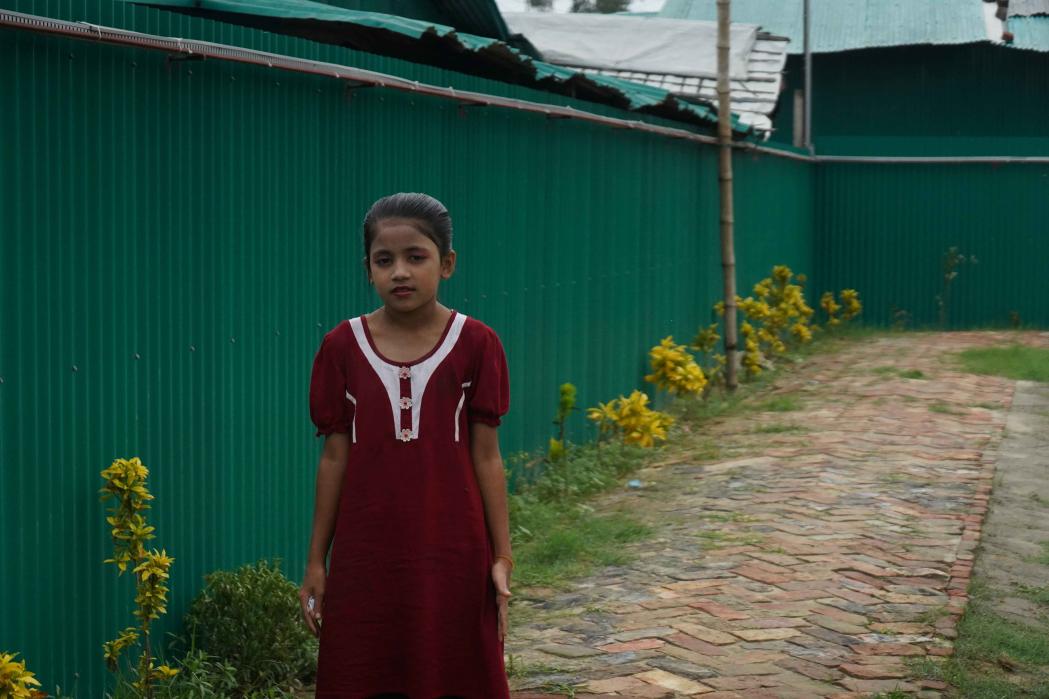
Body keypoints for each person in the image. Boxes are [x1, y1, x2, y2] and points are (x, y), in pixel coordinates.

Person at [300, 193, 513, 698]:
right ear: (368, 269)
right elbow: (334, 458)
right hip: (366, 555)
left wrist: (501, 555)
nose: (400, 272)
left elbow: (486, 456)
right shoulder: (341, 347)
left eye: (416, 257)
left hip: (454, 552)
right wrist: (316, 562)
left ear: (447, 264)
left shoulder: (478, 343)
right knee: (364, 668)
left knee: (456, 668)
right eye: (384, 260)